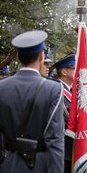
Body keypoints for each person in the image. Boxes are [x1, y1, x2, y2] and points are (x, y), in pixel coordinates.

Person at [0, 30, 64, 172]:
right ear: (42, 56)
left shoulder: (1, 87)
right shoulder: (52, 88)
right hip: (40, 165)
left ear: (18, 57)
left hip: (9, 164)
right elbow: (55, 139)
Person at [54, 53, 76, 173]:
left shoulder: (74, 91)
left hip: (73, 143)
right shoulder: (56, 89)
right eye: (74, 68)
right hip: (63, 143)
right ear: (64, 72)